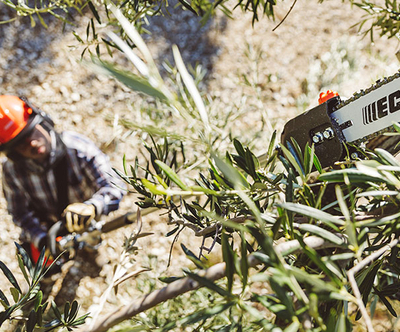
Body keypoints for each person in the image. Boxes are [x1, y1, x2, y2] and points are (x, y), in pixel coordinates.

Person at [0, 95, 126, 264]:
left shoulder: (78, 149)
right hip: (47, 227)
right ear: (13, 153)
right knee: (37, 264)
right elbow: (20, 212)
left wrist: (93, 207)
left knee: (91, 238)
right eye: (20, 143)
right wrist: (43, 240)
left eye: (31, 133)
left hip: (86, 220)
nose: (32, 143)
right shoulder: (12, 171)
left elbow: (115, 185)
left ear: (43, 120)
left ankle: (90, 248)